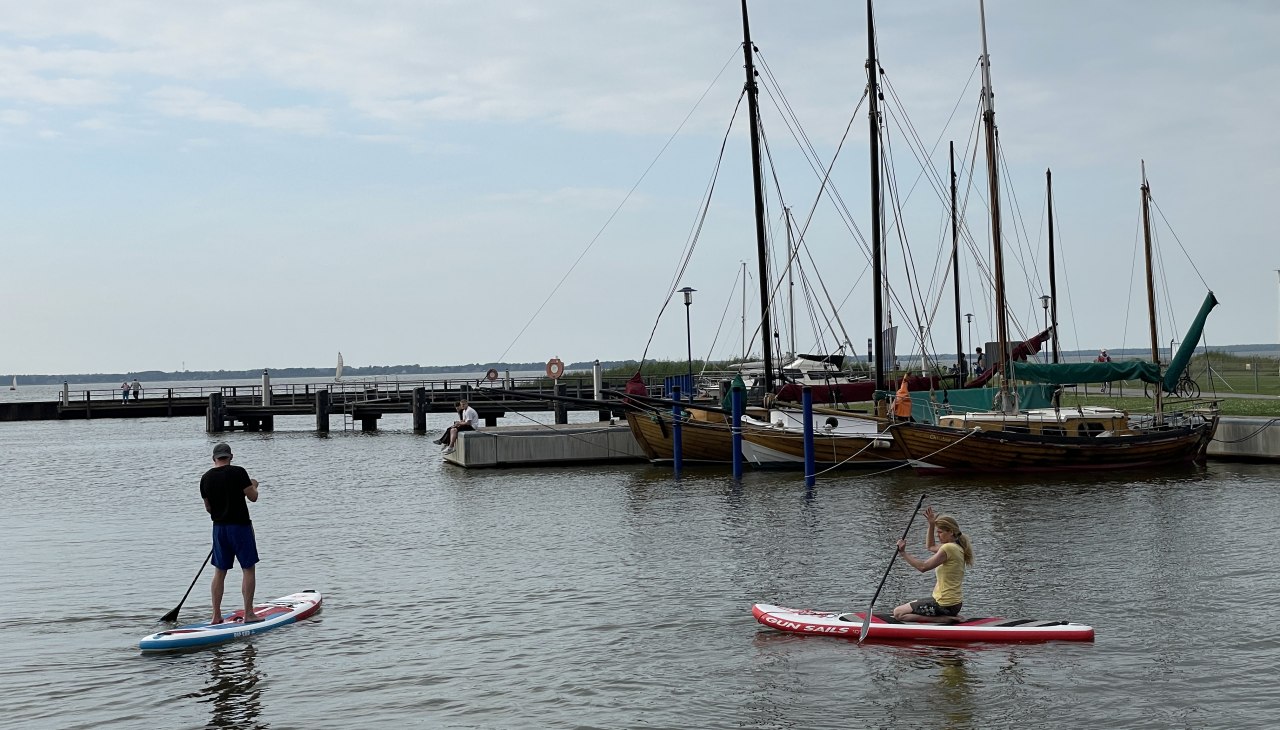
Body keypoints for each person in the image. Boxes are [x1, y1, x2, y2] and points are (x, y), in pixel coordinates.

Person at [199, 442, 261, 624]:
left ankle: (216, 615)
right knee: (248, 568)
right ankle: (249, 614)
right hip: (240, 527)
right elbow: (253, 497)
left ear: (214, 459)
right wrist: (253, 484)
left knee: (220, 571)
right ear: (230, 457)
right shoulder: (239, 472)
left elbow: (209, 508)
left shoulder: (205, 478)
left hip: (219, 529)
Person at [893, 506, 975, 623]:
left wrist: (903, 553)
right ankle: (948, 616)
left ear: (951, 532)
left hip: (944, 604)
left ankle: (945, 619)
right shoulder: (956, 547)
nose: (938, 535)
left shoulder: (948, 548)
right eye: (937, 532)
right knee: (909, 606)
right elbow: (930, 546)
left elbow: (923, 567)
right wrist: (931, 525)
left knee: (898, 613)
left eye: (940, 532)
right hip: (954, 604)